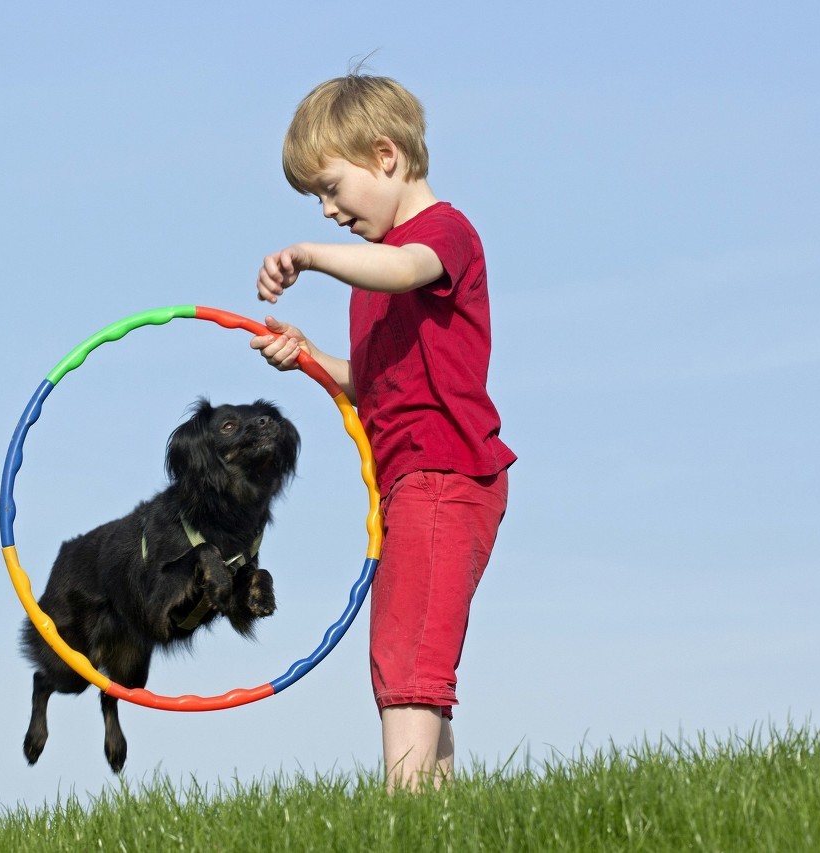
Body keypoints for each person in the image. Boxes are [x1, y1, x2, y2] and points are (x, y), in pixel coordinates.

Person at [250, 72, 516, 792]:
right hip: (413, 479)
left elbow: (403, 266)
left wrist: (307, 254)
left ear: (386, 156)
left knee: (405, 650)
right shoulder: (377, 279)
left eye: (333, 187)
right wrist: (305, 355)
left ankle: (400, 814)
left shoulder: (439, 236)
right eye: (317, 202)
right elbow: (374, 385)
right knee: (413, 644)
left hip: (444, 474)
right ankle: (436, 811)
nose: (330, 210)